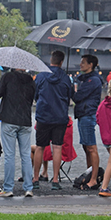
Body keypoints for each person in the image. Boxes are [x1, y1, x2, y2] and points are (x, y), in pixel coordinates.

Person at [32, 50, 74, 191]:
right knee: (57, 147)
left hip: (43, 116)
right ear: (61, 62)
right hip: (60, 117)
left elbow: (36, 95)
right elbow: (69, 96)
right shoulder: (66, 78)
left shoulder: (41, 76)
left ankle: (36, 178)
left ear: (51, 60)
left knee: (40, 147)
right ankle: (55, 180)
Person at [0, 66, 35, 198]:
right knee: (26, 155)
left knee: (9, 156)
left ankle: (8, 188)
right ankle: (28, 188)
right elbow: (34, 97)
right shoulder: (30, 79)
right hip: (25, 120)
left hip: (9, 119)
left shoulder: (7, 77)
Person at [73, 55, 103, 190]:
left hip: (87, 113)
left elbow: (78, 97)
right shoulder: (86, 79)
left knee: (91, 147)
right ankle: (90, 174)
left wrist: (71, 90)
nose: (80, 64)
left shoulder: (93, 80)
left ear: (91, 65)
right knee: (86, 147)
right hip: (83, 114)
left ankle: (94, 179)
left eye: (83, 62)